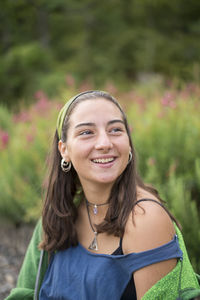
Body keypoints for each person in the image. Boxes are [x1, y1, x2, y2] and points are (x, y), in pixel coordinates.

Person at [6, 90, 200, 300]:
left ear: (128, 143)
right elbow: (25, 294)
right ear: (64, 150)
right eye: (87, 132)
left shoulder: (145, 219)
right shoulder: (55, 218)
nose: (105, 143)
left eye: (115, 129)